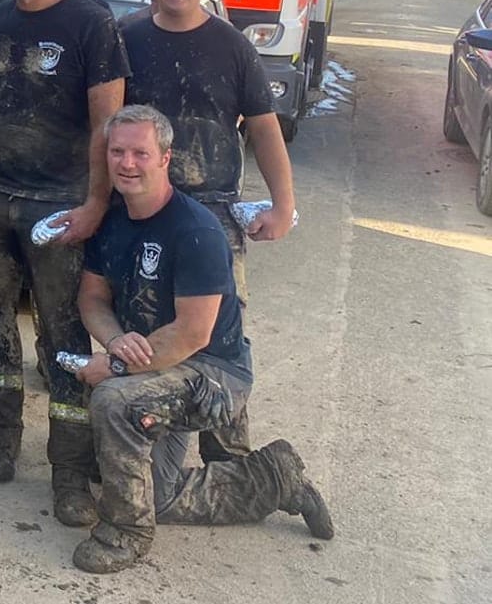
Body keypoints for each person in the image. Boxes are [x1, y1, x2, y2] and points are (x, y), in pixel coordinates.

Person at [70, 105, 332, 573]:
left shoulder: (195, 231)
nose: (127, 163)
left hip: (211, 376)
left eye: (140, 153)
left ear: (165, 158)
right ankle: (274, 481)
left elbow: (193, 333)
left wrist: (114, 366)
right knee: (158, 496)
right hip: (160, 366)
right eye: (117, 152)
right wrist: (115, 341)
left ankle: (125, 533)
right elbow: (92, 299)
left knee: (113, 401)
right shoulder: (112, 222)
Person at [0, 0, 128, 527]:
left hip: (58, 203)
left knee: (62, 334)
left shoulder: (90, 22)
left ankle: (68, 472)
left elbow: (106, 125)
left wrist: (94, 204)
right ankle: (0, 444)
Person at [123, 0, 296, 462]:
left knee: (221, 335)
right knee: (147, 322)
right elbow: (102, 126)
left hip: (213, 211)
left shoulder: (233, 45)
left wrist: (282, 204)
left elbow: (265, 128)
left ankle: (229, 456)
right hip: (141, 210)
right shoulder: (125, 38)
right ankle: (146, 445)